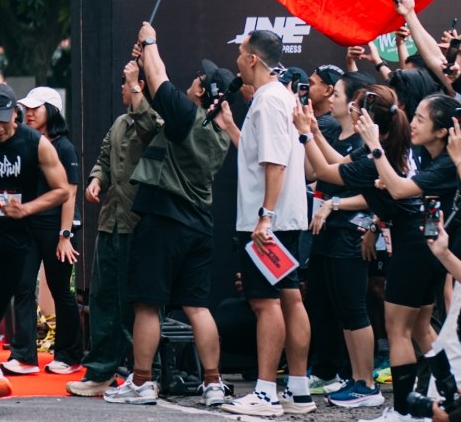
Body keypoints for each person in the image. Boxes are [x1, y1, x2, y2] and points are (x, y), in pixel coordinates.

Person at [104, 23, 234, 408]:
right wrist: (144, 57)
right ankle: (213, 383)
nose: (193, 81)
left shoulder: (184, 117)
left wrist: (150, 39)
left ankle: (142, 382)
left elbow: (159, 78)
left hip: (164, 220)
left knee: (148, 304)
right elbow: (156, 84)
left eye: (199, 79)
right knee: (197, 307)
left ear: (204, 91)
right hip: (199, 226)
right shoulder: (220, 133)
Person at [337, 91, 458, 422]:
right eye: (413, 115)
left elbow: (402, 190)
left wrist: (375, 147)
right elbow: (424, 202)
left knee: (399, 329)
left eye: (421, 118)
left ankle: (406, 410)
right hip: (435, 251)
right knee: (423, 328)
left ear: (442, 130)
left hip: (423, 251)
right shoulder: (434, 157)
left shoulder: (448, 162)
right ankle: (448, 397)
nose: (414, 123)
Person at [218, 29, 315, 417]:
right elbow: (261, 156)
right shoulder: (276, 98)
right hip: (280, 218)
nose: (237, 61)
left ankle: (265, 393)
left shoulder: (268, 100)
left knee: (265, 302)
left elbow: (275, 162)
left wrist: (265, 217)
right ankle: (299, 390)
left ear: (253, 59)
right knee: (288, 298)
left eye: (241, 54)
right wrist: (229, 126)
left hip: (268, 221)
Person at [0, 83, 70, 398]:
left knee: (1, 298)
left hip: (18, 230)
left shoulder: (36, 143)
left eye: (4, 121)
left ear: (15, 115)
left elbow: (62, 189)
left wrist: (27, 209)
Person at [296, 77, 393, 409]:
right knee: (343, 310)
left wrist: (306, 132)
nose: (339, 102)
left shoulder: (374, 152)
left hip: (353, 235)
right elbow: (332, 165)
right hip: (337, 235)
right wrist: (316, 132)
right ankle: (357, 379)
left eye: (340, 95)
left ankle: (367, 384)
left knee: (356, 310)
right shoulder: (362, 149)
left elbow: (325, 169)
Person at [66, 62, 160, 398]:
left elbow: (151, 128)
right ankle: (101, 372)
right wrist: (96, 180)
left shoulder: (156, 119)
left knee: (135, 303)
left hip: (140, 224)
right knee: (102, 298)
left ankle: (143, 374)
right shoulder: (120, 122)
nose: (122, 87)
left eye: (128, 83)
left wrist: (136, 84)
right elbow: (104, 156)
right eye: (124, 82)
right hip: (110, 221)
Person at [9, 86, 84, 377]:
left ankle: (70, 355)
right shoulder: (28, 143)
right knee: (23, 287)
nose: (28, 112)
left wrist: (64, 236)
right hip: (28, 228)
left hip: (56, 230)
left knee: (61, 292)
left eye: (35, 108)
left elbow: (70, 193)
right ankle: (24, 356)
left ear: (51, 111)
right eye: (26, 107)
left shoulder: (64, 148)